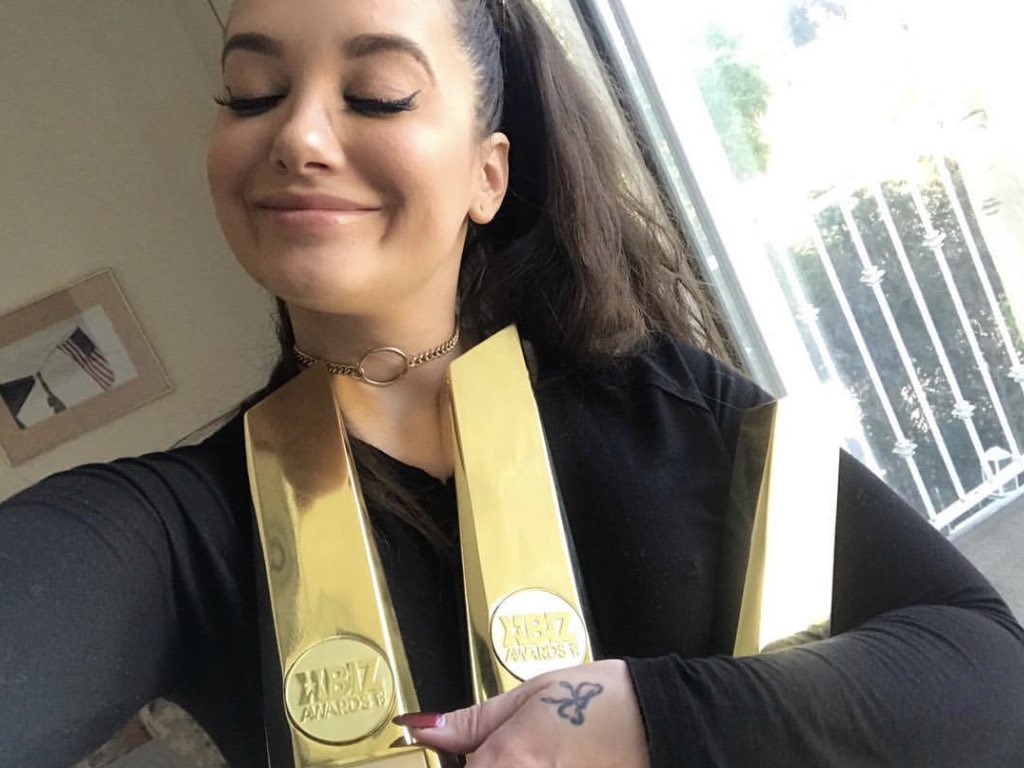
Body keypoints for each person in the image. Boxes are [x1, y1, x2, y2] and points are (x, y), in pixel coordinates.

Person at [1, 0, 1023, 765]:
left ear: (487, 174)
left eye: (377, 93)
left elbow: (991, 671)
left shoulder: (661, 399)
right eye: (253, 93)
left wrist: (656, 719)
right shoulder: (179, 530)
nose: (297, 135)